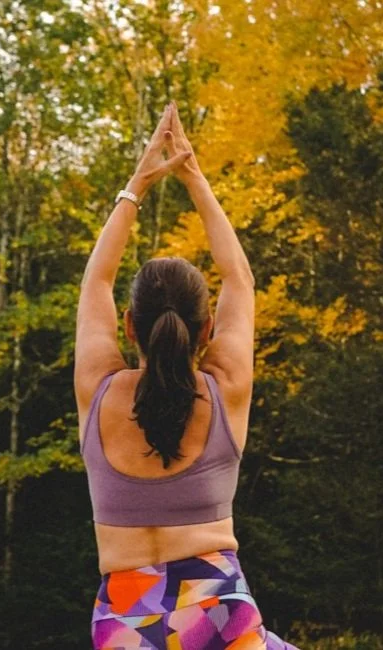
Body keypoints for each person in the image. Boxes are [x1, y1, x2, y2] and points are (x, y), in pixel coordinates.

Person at [75, 101, 299, 650]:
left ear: (129, 325)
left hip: (125, 625)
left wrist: (138, 186)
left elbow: (94, 284)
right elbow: (239, 280)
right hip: (218, 612)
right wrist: (193, 176)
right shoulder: (225, 390)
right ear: (206, 331)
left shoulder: (98, 389)